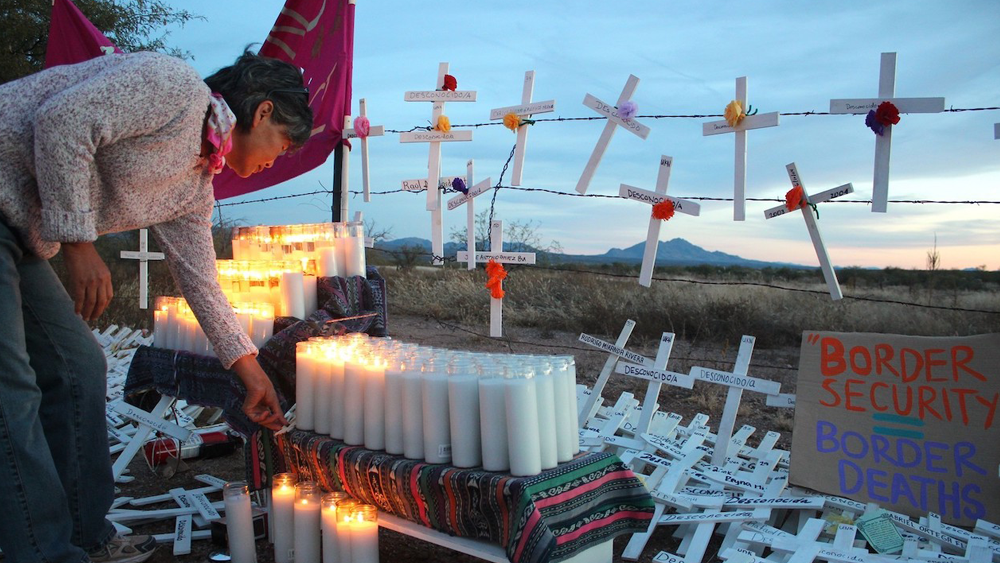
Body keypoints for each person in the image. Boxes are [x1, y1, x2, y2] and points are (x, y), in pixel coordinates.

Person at [0, 49, 309, 563]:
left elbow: (201, 285)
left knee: (78, 366)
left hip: (21, 236)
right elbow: (61, 122)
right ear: (262, 113)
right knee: (11, 389)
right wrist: (79, 245)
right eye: (282, 145)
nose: (274, 161)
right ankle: (44, 553)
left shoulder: (194, 184)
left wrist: (252, 375)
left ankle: (85, 535)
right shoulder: (173, 88)